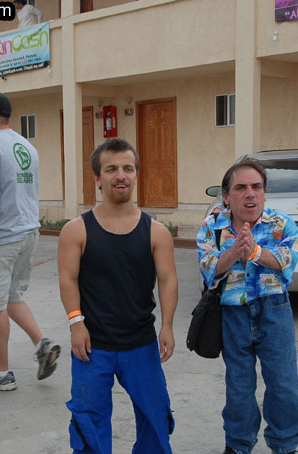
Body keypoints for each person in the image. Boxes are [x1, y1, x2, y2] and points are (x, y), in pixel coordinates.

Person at [57, 138, 178, 454]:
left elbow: (167, 280)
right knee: (88, 424)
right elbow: (67, 280)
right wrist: (76, 323)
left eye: (127, 168)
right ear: (97, 178)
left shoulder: (157, 232)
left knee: (156, 420)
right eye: (111, 169)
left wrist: (167, 326)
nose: (120, 175)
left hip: (141, 343)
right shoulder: (76, 230)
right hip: (92, 346)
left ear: (136, 174)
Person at [196, 159, 298, 454]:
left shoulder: (282, 224)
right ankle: (239, 444)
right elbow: (208, 268)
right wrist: (233, 252)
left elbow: (287, 261)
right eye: (240, 187)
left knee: (283, 383)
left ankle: (284, 444)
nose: (250, 194)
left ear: (264, 194)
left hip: (274, 309)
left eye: (256, 187)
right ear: (227, 196)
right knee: (239, 386)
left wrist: (254, 252)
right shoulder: (213, 225)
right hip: (233, 314)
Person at [0, 91, 60, 391]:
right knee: (12, 298)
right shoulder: (26, 147)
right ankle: (41, 344)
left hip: (1, 238)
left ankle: (2, 373)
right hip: (27, 232)